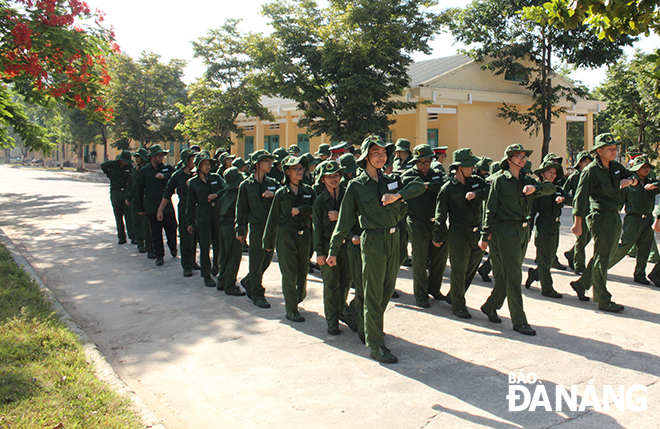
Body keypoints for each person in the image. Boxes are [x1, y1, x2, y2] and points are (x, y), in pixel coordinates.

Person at [327, 135, 425, 364]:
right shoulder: (356, 186)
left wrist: (398, 195)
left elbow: (420, 186)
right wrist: (332, 250)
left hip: (394, 238)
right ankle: (376, 344)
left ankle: (359, 317)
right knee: (373, 293)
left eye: (384, 153)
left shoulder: (391, 180)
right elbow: (344, 221)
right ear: (365, 157)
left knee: (385, 291)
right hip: (372, 240)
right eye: (375, 153)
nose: (381, 157)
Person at [478, 144, 555, 336]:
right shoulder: (499, 181)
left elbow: (551, 188)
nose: (522, 159)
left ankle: (490, 305)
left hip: (522, 230)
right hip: (504, 230)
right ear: (508, 159)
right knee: (514, 277)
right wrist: (484, 236)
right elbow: (491, 209)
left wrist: (534, 187)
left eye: (524, 156)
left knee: (507, 275)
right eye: (517, 156)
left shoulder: (526, 180)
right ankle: (519, 320)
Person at [570, 133, 638, 312]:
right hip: (601, 216)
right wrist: (577, 223)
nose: (614, 151)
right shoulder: (591, 170)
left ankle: (582, 284)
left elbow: (633, 175)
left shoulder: (615, 166)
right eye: (610, 149)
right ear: (598, 151)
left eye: (615, 149)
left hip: (614, 214)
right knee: (603, 256)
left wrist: (630, 180)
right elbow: (580, 198)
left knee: (605, 254)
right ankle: (602, 299)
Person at [433, 148, 490, 319]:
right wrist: (438, 236)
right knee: (458, 270)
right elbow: (440, 215)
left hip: (476, 231)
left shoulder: (477, 181)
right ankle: (458, 305)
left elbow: (490, 192)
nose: (473, 168)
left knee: (471, 268)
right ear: (459, 167)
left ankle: (453, 295)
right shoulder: (448, 188)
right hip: (458, 233)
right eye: (469, 166)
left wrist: (477, 194)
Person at [587, 156, 658, 285]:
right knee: (624, 246)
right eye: (643, 167)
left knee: (645, 248)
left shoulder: (651, 183)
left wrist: (653, 185)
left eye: (648, 167)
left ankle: (640, 273)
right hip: (633, 219)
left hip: (647, 219)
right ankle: (601, 269)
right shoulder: (628, 185)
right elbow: (619, 201)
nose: (646, 169)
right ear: (636, 170)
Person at [263, 155, 316, 322]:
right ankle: (291, 310)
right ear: (287, 172)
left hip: (304, 235)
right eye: (296, 169)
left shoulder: (309, 191)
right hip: (286, 235)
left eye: (301, 168)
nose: (300, 171)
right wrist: (268, 242)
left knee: (302, 271)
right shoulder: (281, 194)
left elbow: (316, 210)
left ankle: (297, 297)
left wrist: (301, 209)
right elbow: (273, 218)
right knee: (289, 273)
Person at [400, 144, 448, 307]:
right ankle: (421, 295)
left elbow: (443, 186)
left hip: (436, 221)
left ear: (431, 160)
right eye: (420, 162)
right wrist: (427, 187)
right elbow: (411, 189)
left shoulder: (437, 174)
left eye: (426, 161)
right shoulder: (408, 175)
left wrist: (426, 186)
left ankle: (434, 289)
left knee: (439, 259)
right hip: (417, 221)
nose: (423, 165)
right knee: (420, 260)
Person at [313, 160, 357, 334]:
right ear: (323, 179)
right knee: (331, 284)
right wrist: (319, 253)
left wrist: (341, 217)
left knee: (346, 281)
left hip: (347, 247)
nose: (333, 179)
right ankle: (332, 319)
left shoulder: (348, 195)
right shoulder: (319, 201)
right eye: (329, 176)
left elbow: (357, 218)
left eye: (336, 175)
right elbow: (316, 229)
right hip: (327, 246)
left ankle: (342, 311)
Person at [235, 149, 280, 308]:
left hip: (270, 227)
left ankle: (249, 281)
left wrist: (273, 195)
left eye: (270, 161)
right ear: (258, 164)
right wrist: (240, 230)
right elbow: (241, 209)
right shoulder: (246, 186)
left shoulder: (273, 184)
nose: (270, 164)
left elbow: (283, 200)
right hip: (255, 227)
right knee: (255, 261)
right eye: (267, 161)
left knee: (266, 260)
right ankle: (257, 293)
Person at [524, 160, 570, 298]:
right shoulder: (538, 191)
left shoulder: (557, 188)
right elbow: (531, 213)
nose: (552, 175)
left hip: (556, 224)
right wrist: (528, 232)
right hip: (543, 223)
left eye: (554, 173)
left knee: (550, 257)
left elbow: (572, 200)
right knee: (544, 257)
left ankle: (535, 274)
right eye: (549, 172)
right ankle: (547, 288)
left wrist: (564, 199)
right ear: (542, 174)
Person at [186, 153, 224, 287]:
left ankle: (216, 265)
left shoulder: (216, 178)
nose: (207, 167)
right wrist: (189, 222)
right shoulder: (193, 183)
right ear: (198, 166)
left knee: (217, 243)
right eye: (204, 164)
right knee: (204, 245)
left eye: (209, 164)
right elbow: (190, 204)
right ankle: (206, 274)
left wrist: (216, 195)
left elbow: (225, 189)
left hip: (216, 212)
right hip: (202, 214)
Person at [157, 149, 196, 277]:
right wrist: (160, 210)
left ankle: (192, 260)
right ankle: (186, 265)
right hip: (185, 206)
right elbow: (167, 193)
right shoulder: (177, 176)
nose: (194, 161)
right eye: (192, 159)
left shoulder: (197, 174)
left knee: (196, 236)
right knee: (185, 236)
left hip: (198, 207)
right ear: (186, 161)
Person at [136, 144, 177, 266]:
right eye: (159, 155)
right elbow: (139, 190)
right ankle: (159, 255)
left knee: (172, 228)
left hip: (167, 206)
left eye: (162, 155)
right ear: (152, 157)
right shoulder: (144, 171)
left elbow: (176, 177)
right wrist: (140, 208)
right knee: (155, 233)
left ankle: (173, 247)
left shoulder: (167, 168)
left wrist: (164, 177)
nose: (161, 157)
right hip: (152, 206)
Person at [217, 167, 247, 296]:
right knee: (234, 257)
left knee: (224, 255)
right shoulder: (238, 197)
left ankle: (222, 280)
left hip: (223, 227)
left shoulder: (224, 195)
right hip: (233, 228)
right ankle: (230, 285)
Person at [563, 151, 594, 274]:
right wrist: (574, 202)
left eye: (589, 161)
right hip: (579, 212)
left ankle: (571, 254)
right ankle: (579, 266)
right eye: (585, 161)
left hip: (591, 211)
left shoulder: (593, 175)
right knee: (581, 239)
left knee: (588, 237)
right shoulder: (574, 177)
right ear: (580, 163)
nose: (588, 163)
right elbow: (564, 192)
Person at [101, 150, 134, 245]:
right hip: (116, 192)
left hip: (126, 192)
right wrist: (109, 174)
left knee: (129, 216)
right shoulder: (112, 165)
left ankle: (132, 236)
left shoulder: (129, 167)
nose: (126, 163)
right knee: (118, 216)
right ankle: (121, 237)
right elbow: (103, 165)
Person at [125, 148, 151, 254]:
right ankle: (140, 243)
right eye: (135, 157)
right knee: (136, 222)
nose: (136, 159)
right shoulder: (134, 169)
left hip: (146, 198)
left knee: (146, 223)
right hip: (135, 199)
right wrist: (128, 197)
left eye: (138, 157)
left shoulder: (147, 169)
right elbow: (131, 184)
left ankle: (148, 243)